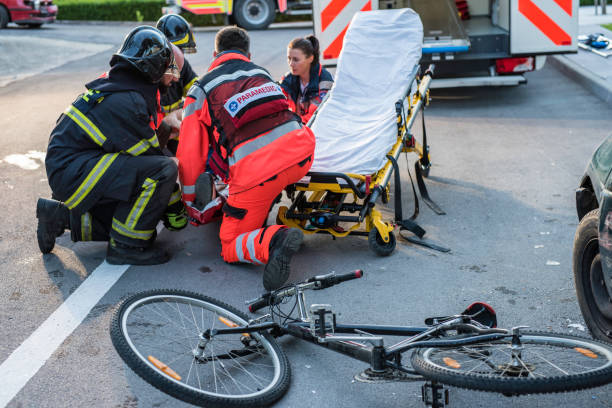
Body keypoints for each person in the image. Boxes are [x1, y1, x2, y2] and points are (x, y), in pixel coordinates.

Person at [177, 26, 316, 290]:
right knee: (252, 175)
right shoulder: (261, 73)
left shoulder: (201, 88)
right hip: (301, 154)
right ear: (248, 54)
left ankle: (276, 240)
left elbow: (190, 154)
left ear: (215, 54)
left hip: (258, 175)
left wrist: (192, 205)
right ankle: (253, 202)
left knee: (229, 244)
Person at [36, 26, 187, 265]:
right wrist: (177, 210)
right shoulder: (129, 101)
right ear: (154, 66)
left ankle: (58, 216)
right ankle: (126, 248)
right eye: (171, 69)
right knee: (163, 172)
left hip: (71, 169)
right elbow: (156, 163)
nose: (176, 77)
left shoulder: (121, 89)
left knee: (136, 219)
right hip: (73, 172)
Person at [156, 13, 199, 155]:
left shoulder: (183, 65)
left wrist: (179, 112)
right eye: (176, 51)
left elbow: (198, 93)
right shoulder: (151, 73)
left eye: (181, 51)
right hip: (154, 137)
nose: (176, 76)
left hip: (175, 133)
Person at [279, 35, 334, 124]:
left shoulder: (325, 81)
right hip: (297, 128)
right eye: (289, 59)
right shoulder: (287, 79)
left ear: (310, 58)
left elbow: (316, 116)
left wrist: (291, 124)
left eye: (296, 60)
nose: (291, 64)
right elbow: (277, 105)